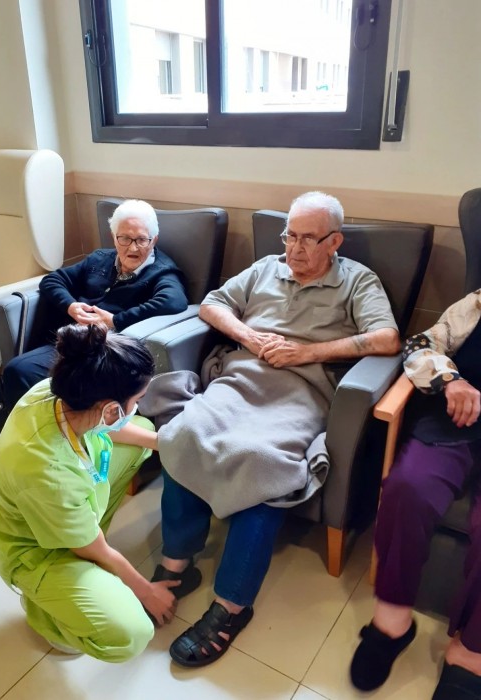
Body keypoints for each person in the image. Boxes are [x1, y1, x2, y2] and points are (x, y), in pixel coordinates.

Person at [146, 191, 400, 668]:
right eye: (290, 235)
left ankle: (231, 604)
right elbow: (213, 305)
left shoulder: (357, 281)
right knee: (184, 432)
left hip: (301, 393)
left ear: (334, 241)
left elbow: (387, 339)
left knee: (264, 460)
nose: (295, 248)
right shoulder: (266, 268)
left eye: (308, 239)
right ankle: (177, 564)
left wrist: (307, 352)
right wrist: (248, 335)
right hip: (241, 378)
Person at [0, 324, 179, 661]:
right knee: (132, 632)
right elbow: (94, 547)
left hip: (59, 502)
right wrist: (146, 591)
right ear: (110, 409)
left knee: (143, 433)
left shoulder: (56, 393)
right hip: (35, 550)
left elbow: (108, 430)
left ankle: (82, 552)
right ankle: (48, 616)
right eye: (137, 400)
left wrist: (166, 443)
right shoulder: (47, 471)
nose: (138, 405)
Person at [350, 290, 481, 700]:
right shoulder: (477, 304)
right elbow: (421, 345)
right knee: (408, 487)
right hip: (457, 421)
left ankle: (472, 649)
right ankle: (392, 621)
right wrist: (451, 380)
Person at [0, 198, 188, 430]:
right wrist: (71, 306)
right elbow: (52, 280)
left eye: (142, 239)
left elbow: (174, 301)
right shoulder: (99, 259)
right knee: (18, 371)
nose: (133, 248)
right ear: (114, 237)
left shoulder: (162, 271)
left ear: (154, 239)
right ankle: (40, 435)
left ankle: (48, 437)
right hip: (72, 341)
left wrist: (114, 320)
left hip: (103, 352)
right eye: (125, 238)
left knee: (21, 371)